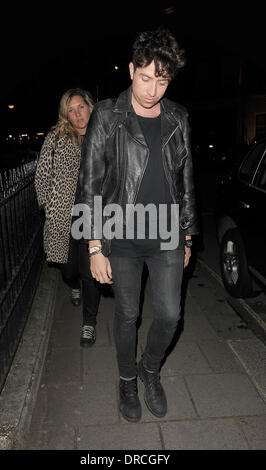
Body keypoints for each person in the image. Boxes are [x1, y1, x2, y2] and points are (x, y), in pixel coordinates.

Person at [75, 29, 199, 420]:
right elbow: (89, 181)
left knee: (169, 315)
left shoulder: (178, 117)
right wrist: (94, 246)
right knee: (128, 314)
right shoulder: (108, 115)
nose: (152, 89)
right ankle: (127, 379)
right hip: (120, 233)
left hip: (166, 232)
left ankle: (150, 369)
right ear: (131, 70)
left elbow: (186, 180)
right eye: (146, 77)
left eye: (162, 80)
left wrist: (189, 234)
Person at [35, 88, 100, 347]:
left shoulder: (102, 134)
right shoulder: (56, 138)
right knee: (68, 270)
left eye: (80, 107)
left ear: (89, 106)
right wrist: (47, 207)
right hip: (63, 217)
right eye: (71, 110)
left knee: (90, 272)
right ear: (66, 115)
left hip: (94, 216)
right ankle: (73, 285)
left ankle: (89, 323)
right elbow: (42, 174)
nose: (77, 114)